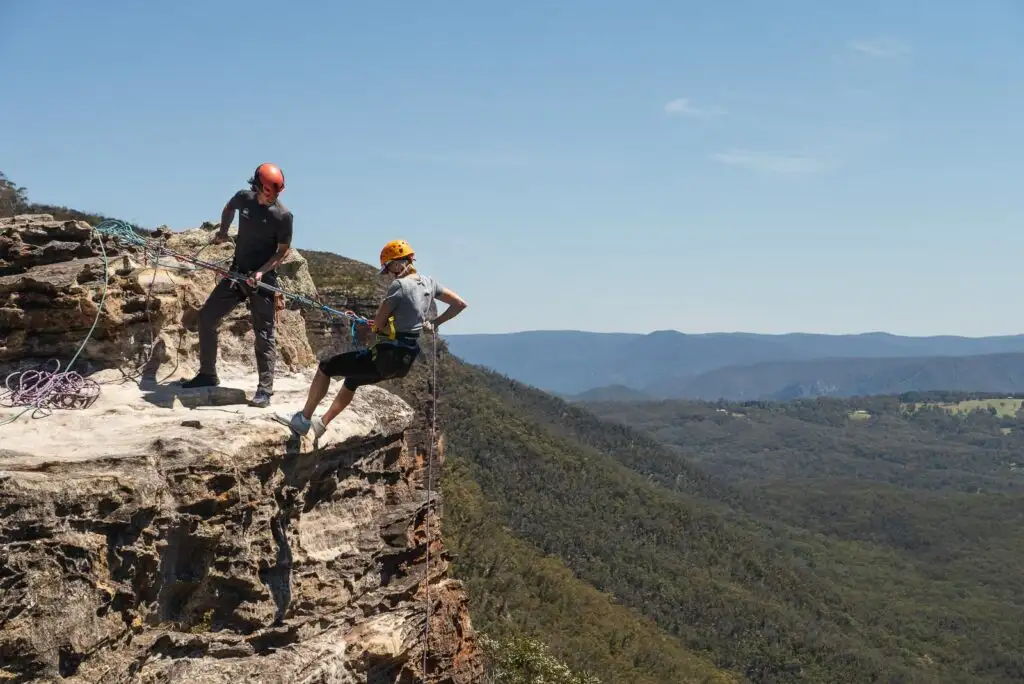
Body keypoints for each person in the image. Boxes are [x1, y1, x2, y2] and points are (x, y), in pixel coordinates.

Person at [277, 239, 467, 439]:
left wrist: (367, 323)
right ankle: (322, 424)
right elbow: (460, 304)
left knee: (326, 367)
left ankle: (303, 420)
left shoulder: (399, 286)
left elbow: (378, 325)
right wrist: (436, 323)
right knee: (352, 380)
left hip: (386, 356)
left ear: (397, 263)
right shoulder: (430, 282)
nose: (388, 275)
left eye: (388, 269)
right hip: (404, 361)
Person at [181, 163, 293, 408]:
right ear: (256, 186)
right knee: (207, 317)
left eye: (275, 194)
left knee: (264, 334)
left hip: (263, 280)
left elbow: (282, 253)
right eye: (266, 192)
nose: (270, 197)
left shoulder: (282, 217)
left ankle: (265, 390)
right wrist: (222, 231)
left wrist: (262, 272)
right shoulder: (244, 198)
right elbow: (228, 208)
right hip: (237, 273)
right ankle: (208, 373)